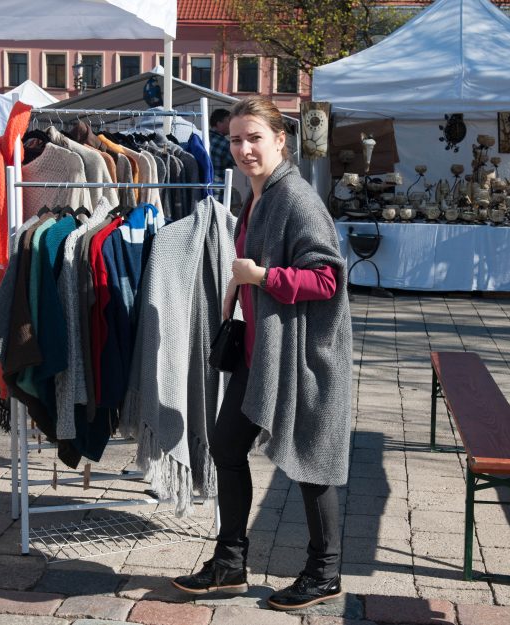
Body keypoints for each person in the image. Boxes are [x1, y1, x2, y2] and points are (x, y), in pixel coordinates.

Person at [172, 96, 353, 611]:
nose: (244, 148)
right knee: (227, 448)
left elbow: (328, 277)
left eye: (255, 137)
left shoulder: (295, 198)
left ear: (281, 140)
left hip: (302, 360)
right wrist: (240, 289)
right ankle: (230, 563)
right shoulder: (256, 198)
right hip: (261, 353)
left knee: (311, 462)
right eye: (235, 139)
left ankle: (325, 574)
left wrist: (261, 277)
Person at [209, 108, 233, 185]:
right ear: (218, 123)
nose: (231, 125)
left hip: (202, 187)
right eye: (229, 121)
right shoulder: (223, 143)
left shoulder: (202, 137)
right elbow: (242, 160)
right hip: (218, 189)